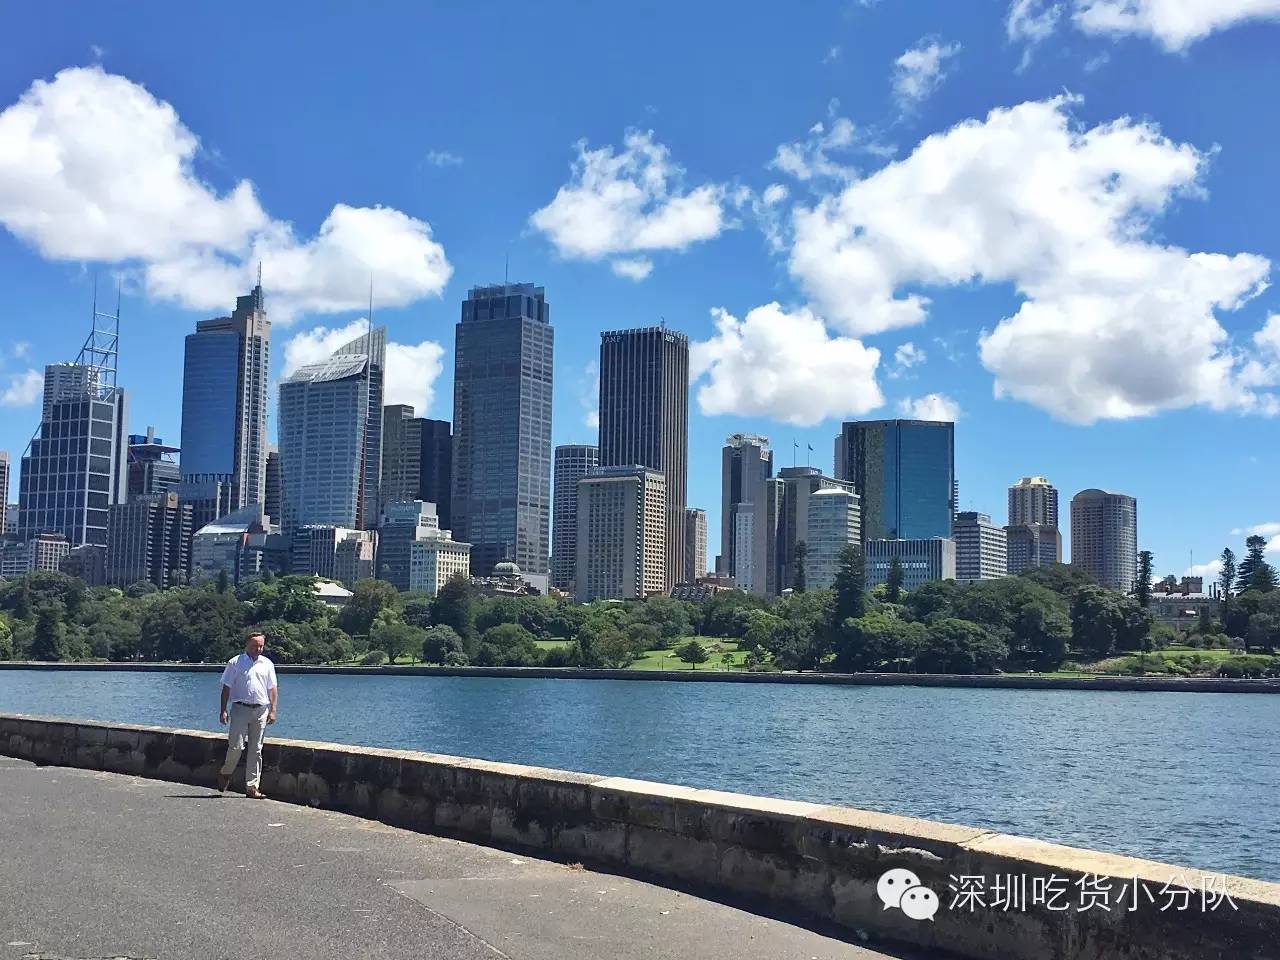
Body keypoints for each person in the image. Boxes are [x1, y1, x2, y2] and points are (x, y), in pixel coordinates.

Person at [217, 633, 279, 799]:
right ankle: (226, 772)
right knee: (236, 746)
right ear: (247, 645)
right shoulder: (235, 662)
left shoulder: (267, 664)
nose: (258, 649)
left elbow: (272, 689)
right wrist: (223, 710)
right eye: (255, 645)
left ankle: (252, 787)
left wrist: (273, 709)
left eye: (261, 646)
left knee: (256, 749)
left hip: (261, 709)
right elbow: (226, 688)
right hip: (240, 708)